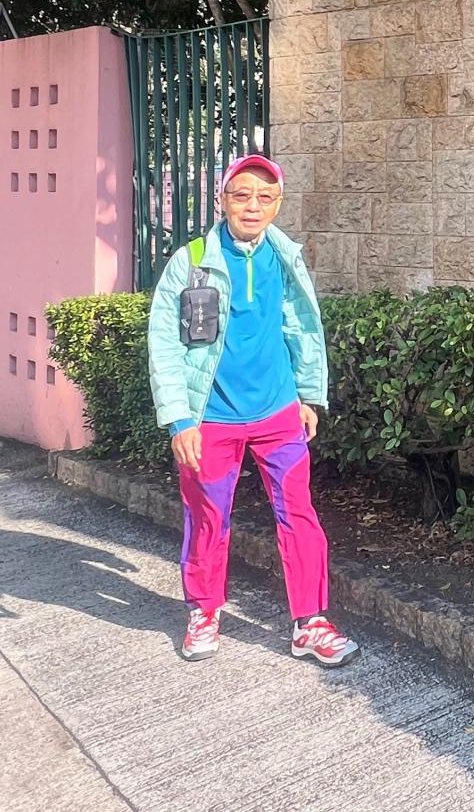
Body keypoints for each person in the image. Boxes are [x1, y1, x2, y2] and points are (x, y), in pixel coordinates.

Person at [146, 153, 358, 667]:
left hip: (278, 413)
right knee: (207, 516)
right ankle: (203, 610)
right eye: (241, 195)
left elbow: (301, 328)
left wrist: (308, 396)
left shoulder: (284, 257)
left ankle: (310, 623)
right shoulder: (192, 261)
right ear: (222, 200)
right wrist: (180, 420)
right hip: (211, 419)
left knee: (299, 514)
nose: (252, 206)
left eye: (265, 197)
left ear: (278, 204)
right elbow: (164, 344)